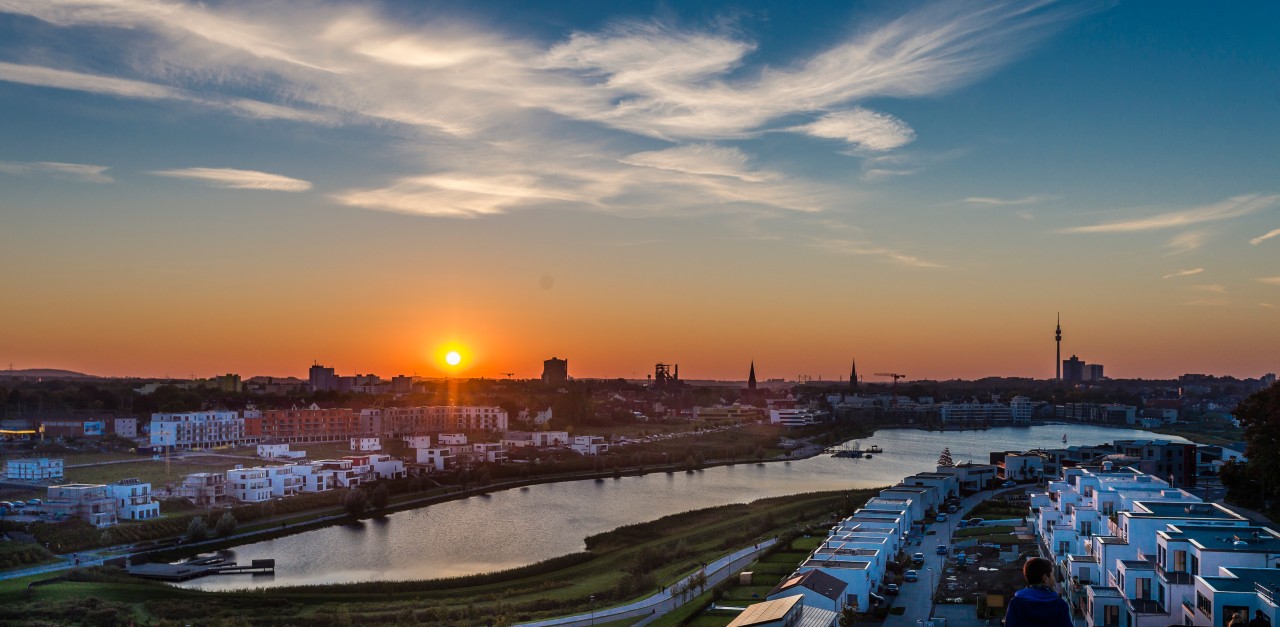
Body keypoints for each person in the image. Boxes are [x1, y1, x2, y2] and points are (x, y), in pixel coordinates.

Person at [1004, 557, 1072, 627]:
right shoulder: (1060, 606)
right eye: (1052, 575)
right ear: (1045, 578)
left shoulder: (1016, 604)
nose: (1054, 579)